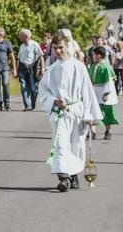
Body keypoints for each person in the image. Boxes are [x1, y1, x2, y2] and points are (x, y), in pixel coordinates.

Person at [40, 35, 101, 191]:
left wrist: (89, 115)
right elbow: (43, 92)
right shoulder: (51, 70)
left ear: (68, 47)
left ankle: (74, 175)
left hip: (76, 111)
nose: (58, 51)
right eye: (55, 48)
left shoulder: (78, 67)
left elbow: (87, 92)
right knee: (61, 144)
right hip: (59, 114)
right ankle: (64, 177)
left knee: (76, 145)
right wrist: (54, 100)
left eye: (61, 47)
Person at [89, 45, 118, 140]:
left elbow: (109, 81)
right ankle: (92, 132)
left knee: (107, 112)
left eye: (93, 55)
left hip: (104, 91)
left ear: (99, 55)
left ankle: (108, 130)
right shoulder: (93, 65)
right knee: (93, 111)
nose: (92, 57)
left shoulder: (106, 66)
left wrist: (106, 93)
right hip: (95, 90)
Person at [15, 28, 43, 110]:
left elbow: (41, 56)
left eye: (21, 36)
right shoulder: (21, 46)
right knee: (23, 87)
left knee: (33, 89)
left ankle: (32, 103)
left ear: (26, 37)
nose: (20, 38)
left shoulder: (35, 44)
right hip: (22, 68)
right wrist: (16, 71)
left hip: (32, 69)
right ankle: (27, 105)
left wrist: (42, 68)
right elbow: (19, 59)